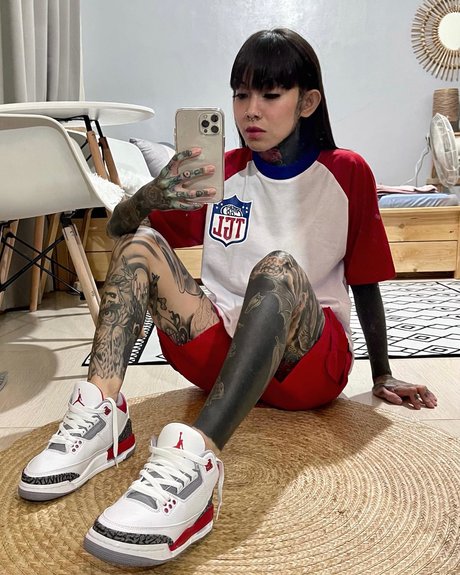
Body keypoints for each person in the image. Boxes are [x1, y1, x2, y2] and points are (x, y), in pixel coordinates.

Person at [18, 28, 438, 567]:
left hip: (304, 368)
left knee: (278, 269)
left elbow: (366, 278)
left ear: (308, 102)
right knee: (142, 244)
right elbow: (121, 229)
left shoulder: (346, 171)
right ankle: (102, 418)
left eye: (270, 94)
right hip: (217, 354)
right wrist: (152, 196)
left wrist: (382, 373)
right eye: (241, 94)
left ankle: (197, 456)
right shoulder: (219, 172)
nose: (250, 110)